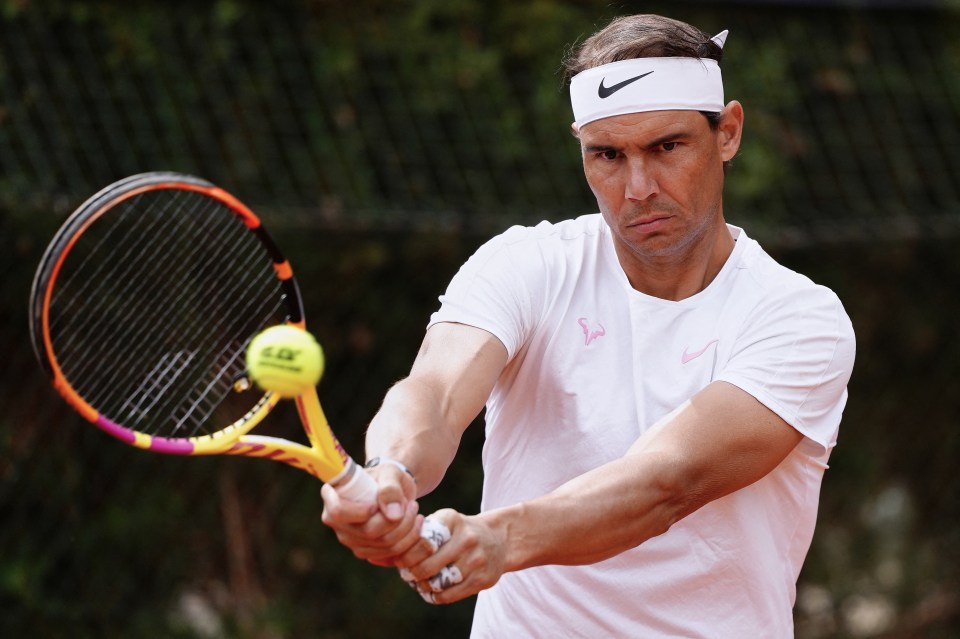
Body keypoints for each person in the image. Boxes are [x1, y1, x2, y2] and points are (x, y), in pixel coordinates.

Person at [320, 13, 856, 638]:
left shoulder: (799, 320)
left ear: (728, 132)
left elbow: (664, 483)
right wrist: (392, 472)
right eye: (607, 154)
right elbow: (435, 394)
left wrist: (498, 538)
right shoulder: (526, 264)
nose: (637, 187)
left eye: (667, 147)